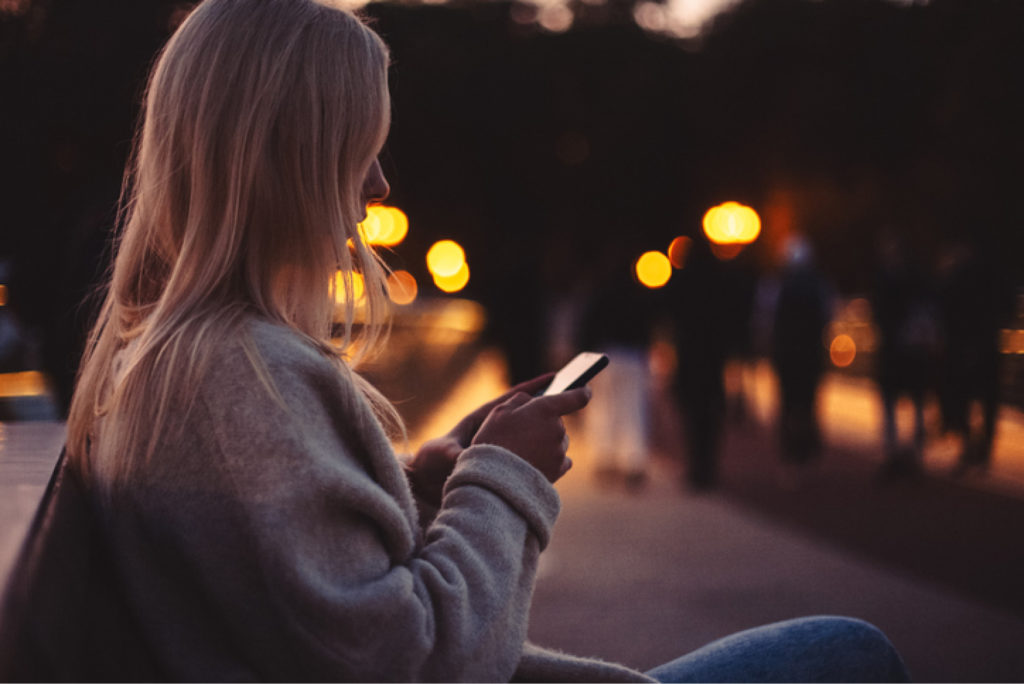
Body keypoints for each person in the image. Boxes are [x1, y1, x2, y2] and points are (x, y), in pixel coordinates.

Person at [65, 1, 910, 680]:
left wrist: (429, 480)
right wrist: (504, 478)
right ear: (289, 162)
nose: (380, 185)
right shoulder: (247, 375)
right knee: (851, 653)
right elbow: (417, 660)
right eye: (359, 153)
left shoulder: (179, 364)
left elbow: (298, 584)